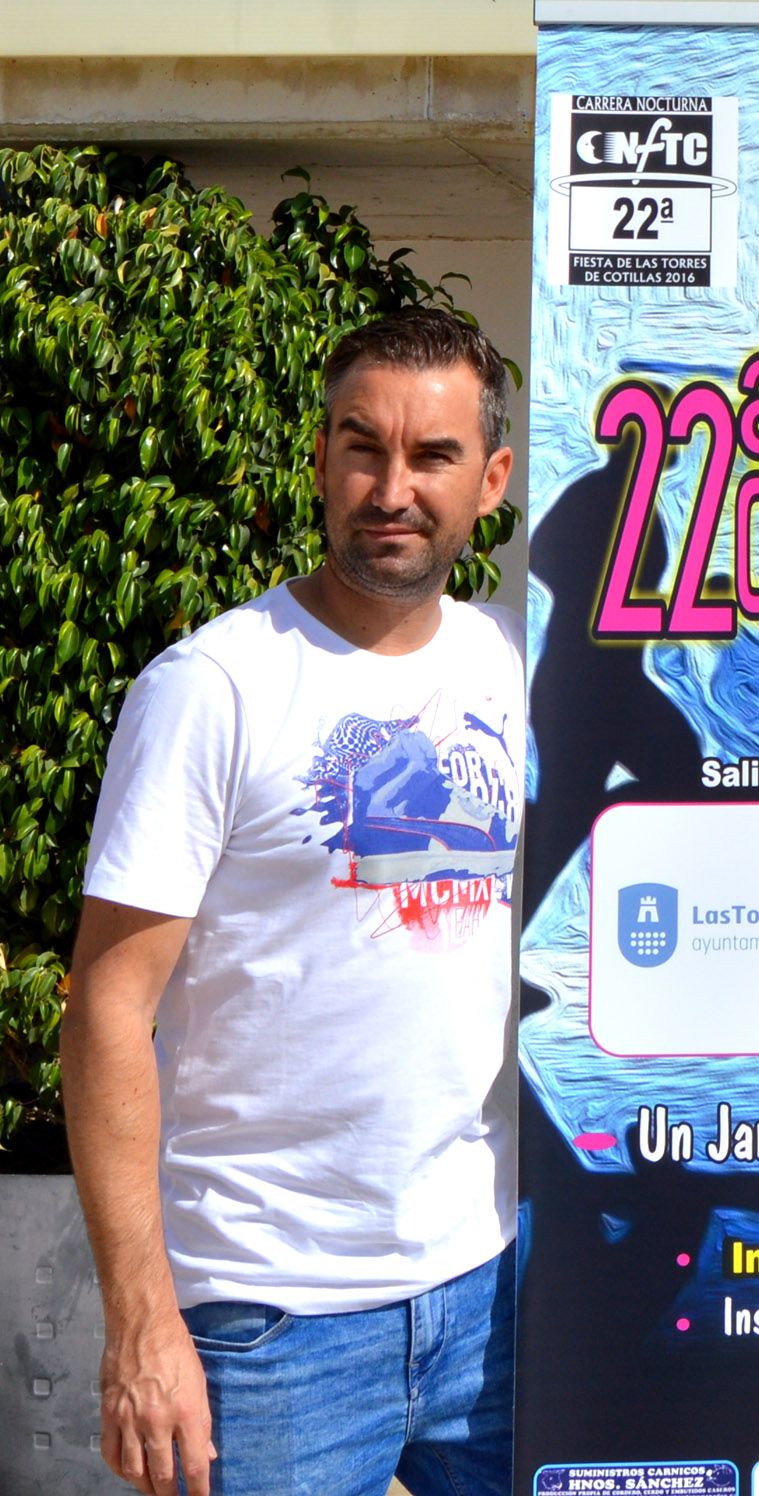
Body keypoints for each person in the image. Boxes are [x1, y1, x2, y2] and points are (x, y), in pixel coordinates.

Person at [61, 308, 523, 1496]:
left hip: (493, 1294)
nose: (392, 488)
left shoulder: (516, 668)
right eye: (363, 447)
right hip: (271, 1322)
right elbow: (108, 1010)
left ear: (490, 479)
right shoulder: (213, 687)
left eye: (433, 457)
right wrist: (141, 1323)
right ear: (318, 458)